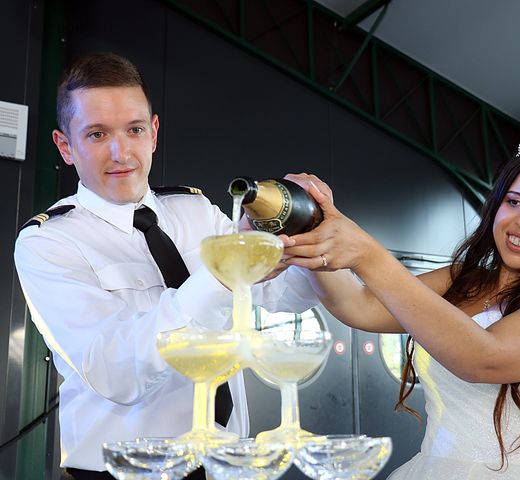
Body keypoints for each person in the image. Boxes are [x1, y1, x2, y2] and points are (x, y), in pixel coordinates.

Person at [13, 52, 319, 480]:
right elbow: (114, 372)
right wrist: (220, 277)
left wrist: (309, 245)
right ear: (65, 146)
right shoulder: (48, 242)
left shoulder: (196, 210)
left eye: (134, 129)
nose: (121, 152)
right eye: (97, 134)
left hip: (226, 467)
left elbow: (286, 299)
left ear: (153, 133)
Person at [283, 136, 520, 479]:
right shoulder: (460, 280)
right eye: (514, 201)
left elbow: (486, 358)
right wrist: (310, 228)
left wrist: (368, 254)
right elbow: (359, 305)